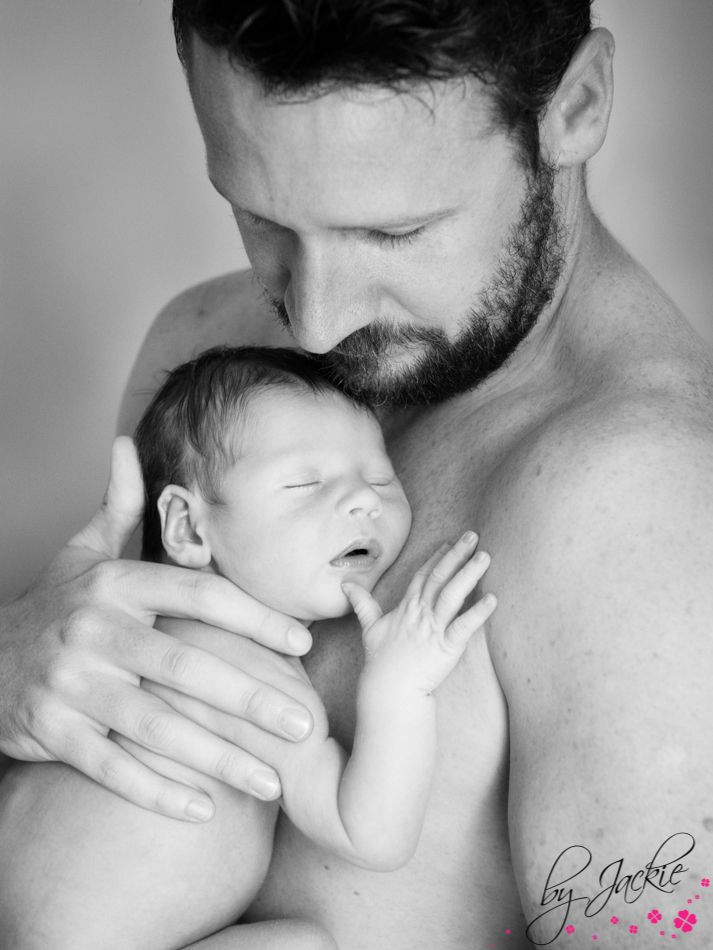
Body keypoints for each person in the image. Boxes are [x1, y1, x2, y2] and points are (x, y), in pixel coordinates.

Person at [0, 1, 712, 947]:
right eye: (257, 217)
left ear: (574, 107)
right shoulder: (205, 340)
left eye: (393, 234)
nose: (314, 325)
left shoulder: (645, 522)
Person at [0, 344, 495, 948]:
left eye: (379, 476)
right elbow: (372, 834)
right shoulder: (239, 672)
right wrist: (400, 687)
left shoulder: (109, 637)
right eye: (306, 482)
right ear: (186, 526)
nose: (364, 499)